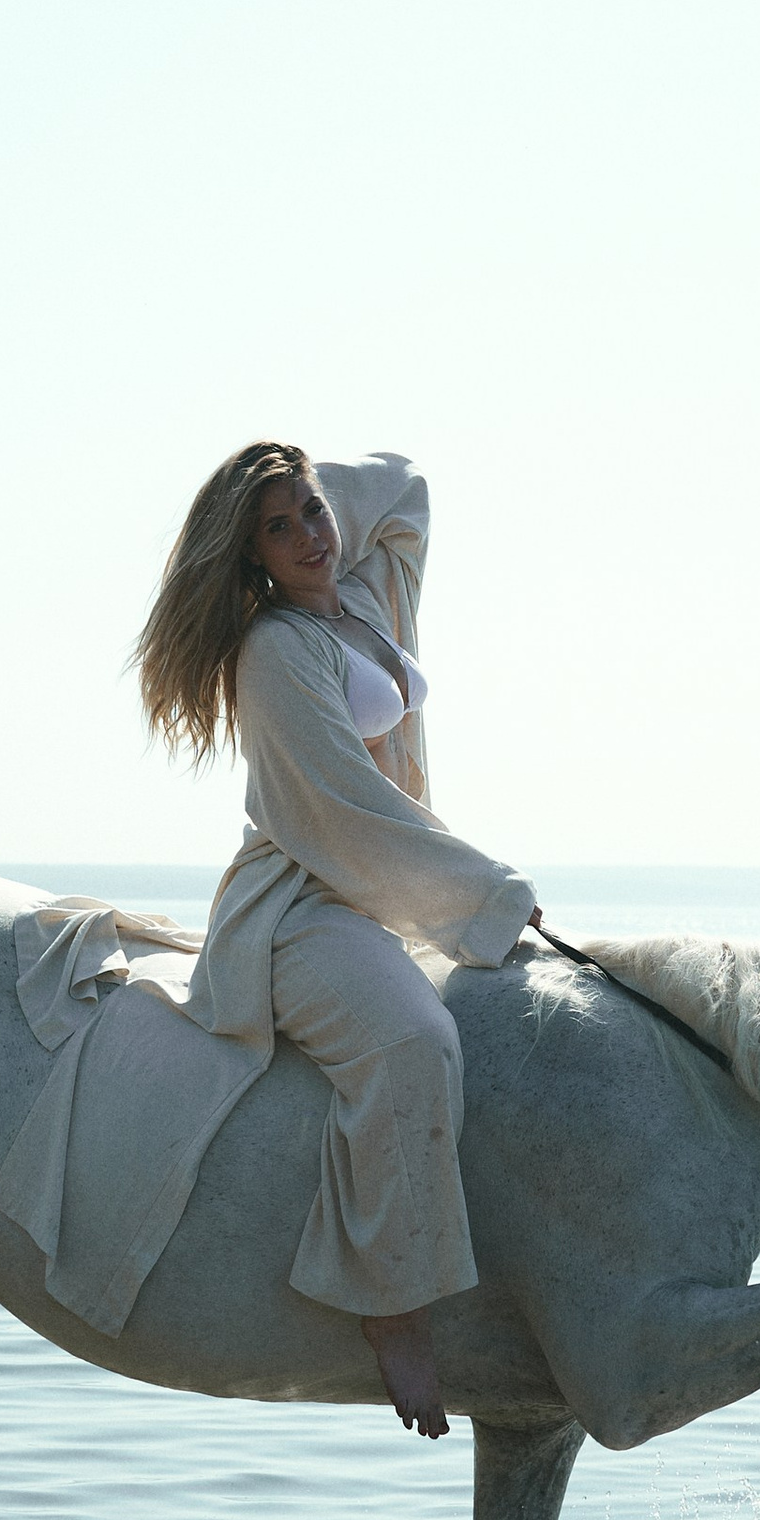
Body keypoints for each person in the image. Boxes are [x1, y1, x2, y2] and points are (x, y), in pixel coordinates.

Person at [133, 444, 539, 1440]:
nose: (310, 536)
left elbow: (406, 489)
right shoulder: (273, 650)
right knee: (412, 1042)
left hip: (372, 899)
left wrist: (301, 480)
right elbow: (343, 811)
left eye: (311, 512)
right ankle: (391, 1303)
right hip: (300, 909)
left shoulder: (362, 595)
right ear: (250, 555)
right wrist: (483, 893)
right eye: (278, 527)